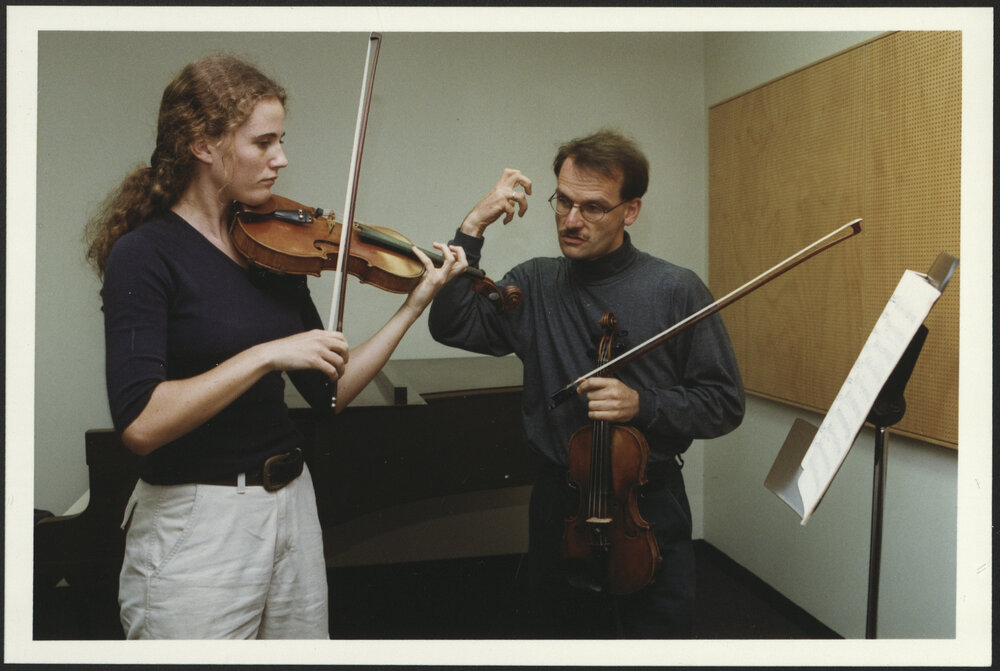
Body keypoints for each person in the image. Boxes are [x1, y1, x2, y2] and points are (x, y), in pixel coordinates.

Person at [84, 55, 469, 639]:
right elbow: (139, 423)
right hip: (199, 523)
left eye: (281, 141)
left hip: (291, 505)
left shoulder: (269, 241)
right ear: (202, 144)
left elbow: (331, 392)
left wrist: (412, 307)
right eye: (263, 142)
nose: (281, 158)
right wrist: (266, 354)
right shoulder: (146, 254)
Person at [428, 130, 745, 638]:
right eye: (564, 202)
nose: (571, 221)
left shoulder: (675, 289)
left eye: (593, 208)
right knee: (561, 637)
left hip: (647, 503)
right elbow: (452, 323)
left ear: (631, 210)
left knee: (656, 640)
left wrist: (643, 403)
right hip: (560, 501)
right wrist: (473, 226)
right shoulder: (533, 284)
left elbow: (724, 404)